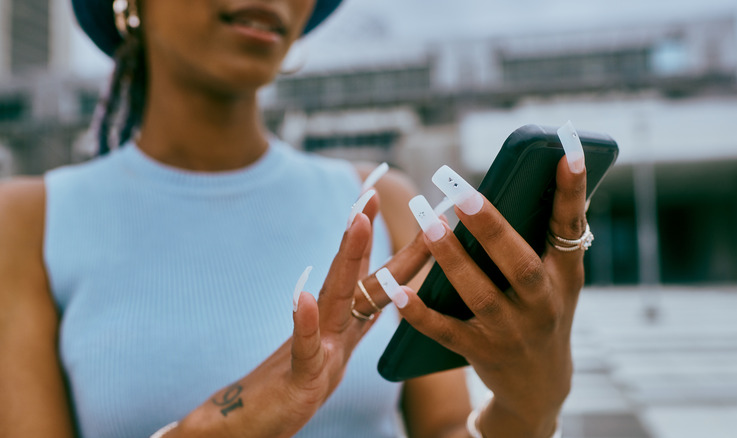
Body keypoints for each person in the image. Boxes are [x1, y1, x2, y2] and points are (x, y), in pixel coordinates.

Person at [0, 0, 592, 437]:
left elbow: (444, 430)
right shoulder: (28, 222)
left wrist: (527, 407)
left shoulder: (381, 201)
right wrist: (219, 426)